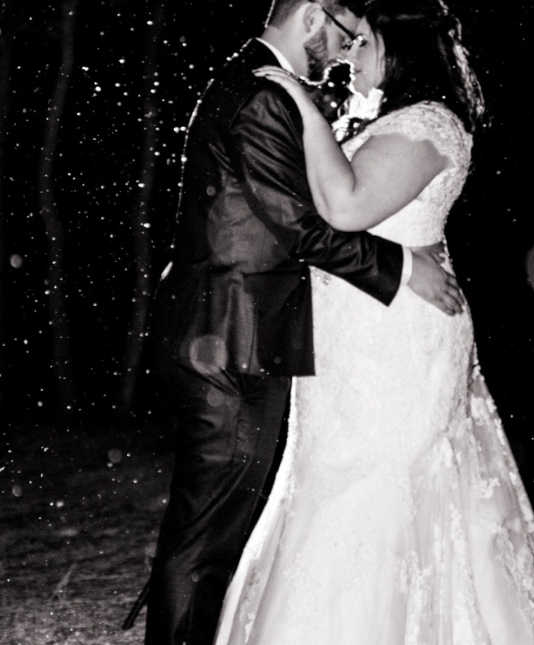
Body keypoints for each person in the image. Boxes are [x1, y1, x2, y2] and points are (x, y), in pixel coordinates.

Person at [213, 0, 534, 643]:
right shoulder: (390, 121)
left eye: (363, 43)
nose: (348, 54)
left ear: (401, 53)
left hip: (395, 339)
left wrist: (298, 103)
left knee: (379, 485)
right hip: (354, 332)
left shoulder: (429, 125)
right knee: (332, 474)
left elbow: (346, 205)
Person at [121, 1, 463, 643]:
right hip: (230, 335)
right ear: (312, 17)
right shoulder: (263, 94)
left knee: (217, 525)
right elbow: (304, 226)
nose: (341, 54)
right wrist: (401, 270)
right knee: (209, 534)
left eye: (358, 43)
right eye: (341, 36)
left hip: (241, 330)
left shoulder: (253, 82)